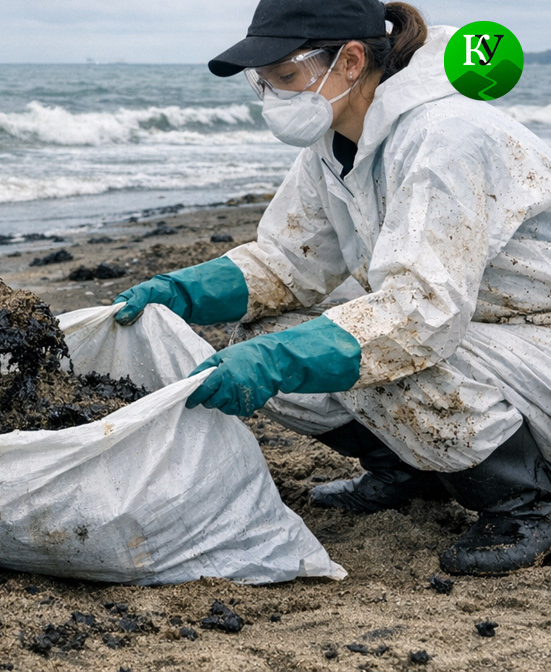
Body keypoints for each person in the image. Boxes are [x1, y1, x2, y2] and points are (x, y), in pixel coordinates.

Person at [112, 0, 551, 576]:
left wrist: (278, 361)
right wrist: (181, 292)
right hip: (478, 329)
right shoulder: (334, 143)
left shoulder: (445, 137)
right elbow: (288, 263)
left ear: (350, 61)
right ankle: (408, 469)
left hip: (530, 335)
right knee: (264, 333)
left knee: (389, 354)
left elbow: (420, 314)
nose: (273, 97)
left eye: (285, 76)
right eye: (263, 82)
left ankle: (524, 503)